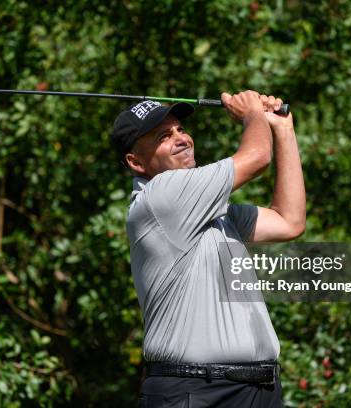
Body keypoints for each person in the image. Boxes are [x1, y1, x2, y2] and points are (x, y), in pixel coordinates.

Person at [110, 90, 306, 407]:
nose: (182, 139)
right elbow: (257, 158)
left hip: (258, 391)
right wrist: (252, 113)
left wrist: (282, 129)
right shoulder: (161, 196)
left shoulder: (214, 214)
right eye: (163, 136)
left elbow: (289, 221)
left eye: (181, 130)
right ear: (136, 162)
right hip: (196, 390)